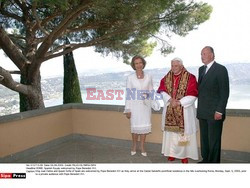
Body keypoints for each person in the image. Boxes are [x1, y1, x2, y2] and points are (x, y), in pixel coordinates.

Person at [157, 57, 199, 163]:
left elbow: (193, 93)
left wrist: (180, 102)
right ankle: (172, 153)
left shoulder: (190, 77)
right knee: (171, 135)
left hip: (184, 110)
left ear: (181, 66)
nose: (173, 68)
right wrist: (170, 100)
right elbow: (162, 90)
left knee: (183, 134)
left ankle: (184, 155)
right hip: (170, 109)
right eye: (172, 65)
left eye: (176, 66)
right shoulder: (167, 77)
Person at [197, 46, 230, 163]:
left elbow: (224, 92)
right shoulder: (201, 69)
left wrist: (219, 111)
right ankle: (205, 160)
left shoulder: (221, 69)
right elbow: (200, 89)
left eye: (204, 54)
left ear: (212, 55)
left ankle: (214, 163)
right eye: (201, 54)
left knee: (214, 140)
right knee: (204, 139)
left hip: (215, 112)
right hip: (202, 112)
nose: (202, 56)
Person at [124, 55, 160, 157]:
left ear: (143, 64)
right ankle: (134, 145)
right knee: (135, 127)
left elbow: (151, 90)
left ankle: (142, 146)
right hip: (134, 106)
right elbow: (128, 94)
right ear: (133, 65)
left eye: (140, 63)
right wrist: (128, 109)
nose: (139, 65)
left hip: (145, 105)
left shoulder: (149, 76)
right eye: (136, 63)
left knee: (144, 126)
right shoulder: (130, 78)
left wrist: (152, 99)